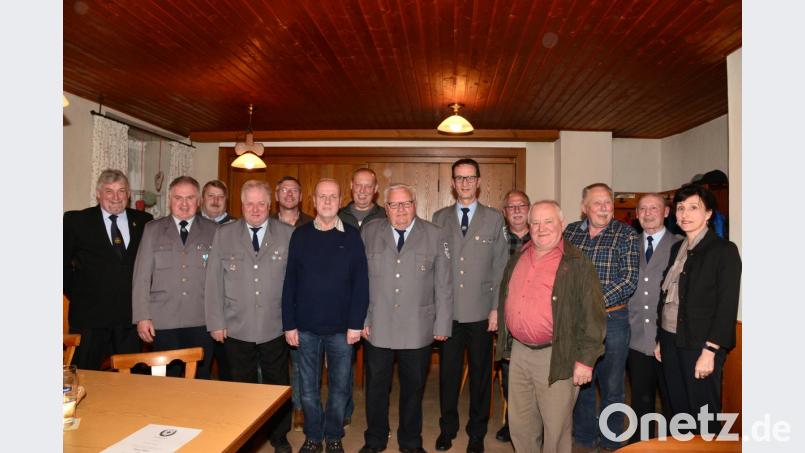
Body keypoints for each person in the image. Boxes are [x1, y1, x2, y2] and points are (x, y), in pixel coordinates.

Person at [496, 200, 606, 453]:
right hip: (520, 353)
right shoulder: (518, 257)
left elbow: (593, 316)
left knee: (556, 429)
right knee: (520, 424)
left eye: (548, 222)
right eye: (535, 222)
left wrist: (586, 361)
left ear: (562, 224)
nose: (541, 228)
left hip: (557, 354)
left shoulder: (578, 263)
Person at [358, 184, 453, 453]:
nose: (401, 210)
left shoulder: (435, 235)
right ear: (385, 207)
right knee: (376, 388)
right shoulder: (370, 232)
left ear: (415, 204)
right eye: (394, 205)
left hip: (418, 327)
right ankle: (375, 439)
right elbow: (360, 282)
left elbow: (444, 285)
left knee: (413, 389)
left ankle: (410, 441)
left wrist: (442, 323)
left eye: (406, 203)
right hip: (378, 325)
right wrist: (361, 318)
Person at [205, 180, 295, 453]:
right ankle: (242, 434)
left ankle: (279, 435)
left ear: (270, 205)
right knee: (240, 386)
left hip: (275, 324)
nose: (255, 209)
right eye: (249, 204)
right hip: (236, 325)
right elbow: (213, 282)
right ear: (241, 206)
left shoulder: (288, 234)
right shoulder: (224, 234)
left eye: (261, 203)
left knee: (277, 384)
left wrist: (294, 323)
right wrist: (216, 322)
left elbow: (297, 282)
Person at [282, 179, 370, 453]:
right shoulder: (300, 235)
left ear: (340, 198)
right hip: (306, 328)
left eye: (333, 196)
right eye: (323, 196)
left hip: (342, 330)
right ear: (314, 200)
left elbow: (361, 284)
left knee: (340, 389)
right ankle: (312, 436)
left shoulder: (352, 236)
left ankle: (333, 436)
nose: (328, 201)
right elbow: (290, 283)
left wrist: (356, 324)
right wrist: (289, 324)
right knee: (307, 389)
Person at [431, 158, 508, 453]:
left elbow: (501, 267)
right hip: (449, 313)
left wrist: (496, 309)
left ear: (478, 181)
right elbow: (435, 267)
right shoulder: (439, 218)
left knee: (480, 376)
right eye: (459, 178)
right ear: (452, 183)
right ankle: (447, 428)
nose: (464, 183)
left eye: (469, 178)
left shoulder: (493, 219)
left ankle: (477, 432)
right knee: (448, 376)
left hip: (480, 312)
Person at [655, 184, 741, 436]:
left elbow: (726, 306)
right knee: (676, 409)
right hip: (671, 339)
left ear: (708, 214)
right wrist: (661, 338)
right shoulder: (677, 248)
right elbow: (667, 298)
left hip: (701, 344)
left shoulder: (723, 251)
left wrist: (711, 351)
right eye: (681, 208)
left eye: (694, 208)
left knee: (703, 413)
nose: (685, 214)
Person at [563, 182, 639, 451]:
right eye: (597, 203)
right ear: (585, 208)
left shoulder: (626, 234)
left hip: (613, 321)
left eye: (608, 202)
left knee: (612, 386)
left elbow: (629, 280)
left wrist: (590, 303)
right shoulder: (571, 232)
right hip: (577, 323)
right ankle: (584, 437)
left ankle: (611, 440)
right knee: (582, 382)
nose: (604, 208)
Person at [64, 169, 153, 370]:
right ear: (98, 193)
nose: (116, 197)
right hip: (90, 318)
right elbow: (61, 266)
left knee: (131, 381)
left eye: (121, 191)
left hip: (130, 319)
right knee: (87, 377)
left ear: (128, 194)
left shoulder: (144, 221)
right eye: (109, 191)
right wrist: (79, 294)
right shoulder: (77, 221)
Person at [132, 176, 218, 378]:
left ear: (198, 201)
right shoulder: (153, 229)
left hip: (202, 319)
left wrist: (219, 319)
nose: (184, 203)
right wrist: (142, 316)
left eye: (190, 198)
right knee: (166, 382)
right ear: (170, 200)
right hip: (163, 320)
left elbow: (221, 279)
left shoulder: (214, 231)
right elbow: (141, 276)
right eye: (178, 198)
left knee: (200, 378)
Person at [626, 194, 680, 442]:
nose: (648, 213)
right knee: (640, 400)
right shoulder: (627, 244)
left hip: (669, 339)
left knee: (672, 403)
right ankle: (641, 445)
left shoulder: (681, 245)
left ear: (666, 212)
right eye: (643, 209)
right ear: (637, 214)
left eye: (654, 208)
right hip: (635, 338)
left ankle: (672, 447)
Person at [336, 167, 386, 427]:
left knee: (376, 367)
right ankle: (344, 410)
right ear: (351, 186)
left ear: (376, 189)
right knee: (344, 362)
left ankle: (375, 419)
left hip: (378, 299)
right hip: (345, 300)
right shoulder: (337, 215)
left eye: (369, 186)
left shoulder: (386, 215)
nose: (364, 191)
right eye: (359, 185)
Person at [271, 175, 314, 431]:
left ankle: (299, 408)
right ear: (276, 196)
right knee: (271, 364)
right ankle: (272, 410)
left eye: (294, 190)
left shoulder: (313, 224)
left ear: (301, 196)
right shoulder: (263, 222)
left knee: (300, 364)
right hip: (268, 303)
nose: (289, 194)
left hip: (301, 305)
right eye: (284, 190)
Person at [495, 189, 531, 443]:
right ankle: (512, 423)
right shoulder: (496, 238)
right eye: (511, 206)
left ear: (529, 209)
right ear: (504, 212)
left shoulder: (543, 236)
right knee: (510, 373)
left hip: (537, 317)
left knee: (538, 374)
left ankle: (535, 422)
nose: (517, 210)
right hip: (506, 317)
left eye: (522, 205)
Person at [200, 179, 236, 381]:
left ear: (226, 201)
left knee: (229, 369)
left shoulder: (238, 225)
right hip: (197, 309)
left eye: (220, 197)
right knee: (200, 367)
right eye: (211, 196)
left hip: (228, 309)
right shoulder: (192, 223)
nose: (215, 201)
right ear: (202, 200)